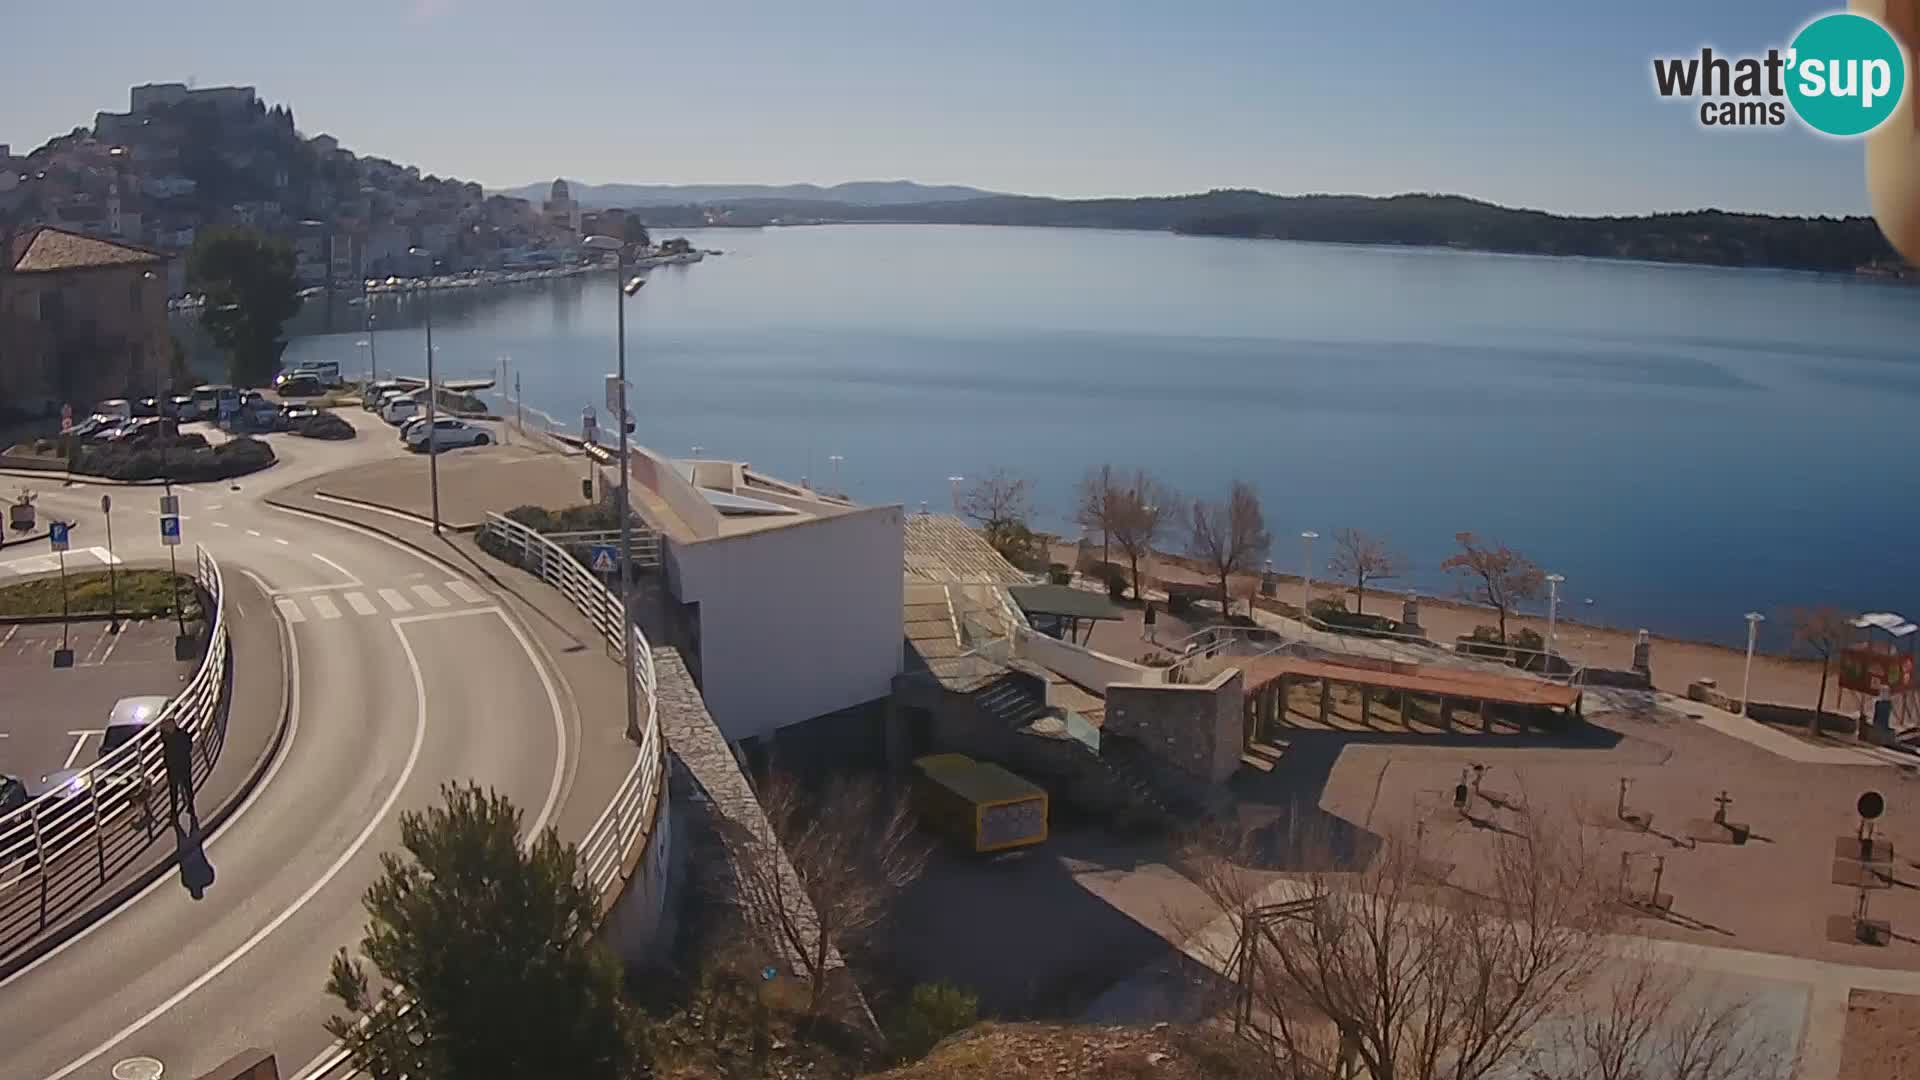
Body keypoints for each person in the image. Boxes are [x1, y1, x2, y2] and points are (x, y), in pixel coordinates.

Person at [160, 715, 196, 826]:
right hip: (179, 766)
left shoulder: (173, 738)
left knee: (183, 788)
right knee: (179, 790)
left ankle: (184, 809)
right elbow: (189, 746)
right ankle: (179, 811)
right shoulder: (180, 735)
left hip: (178, 766)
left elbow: (187, 747)